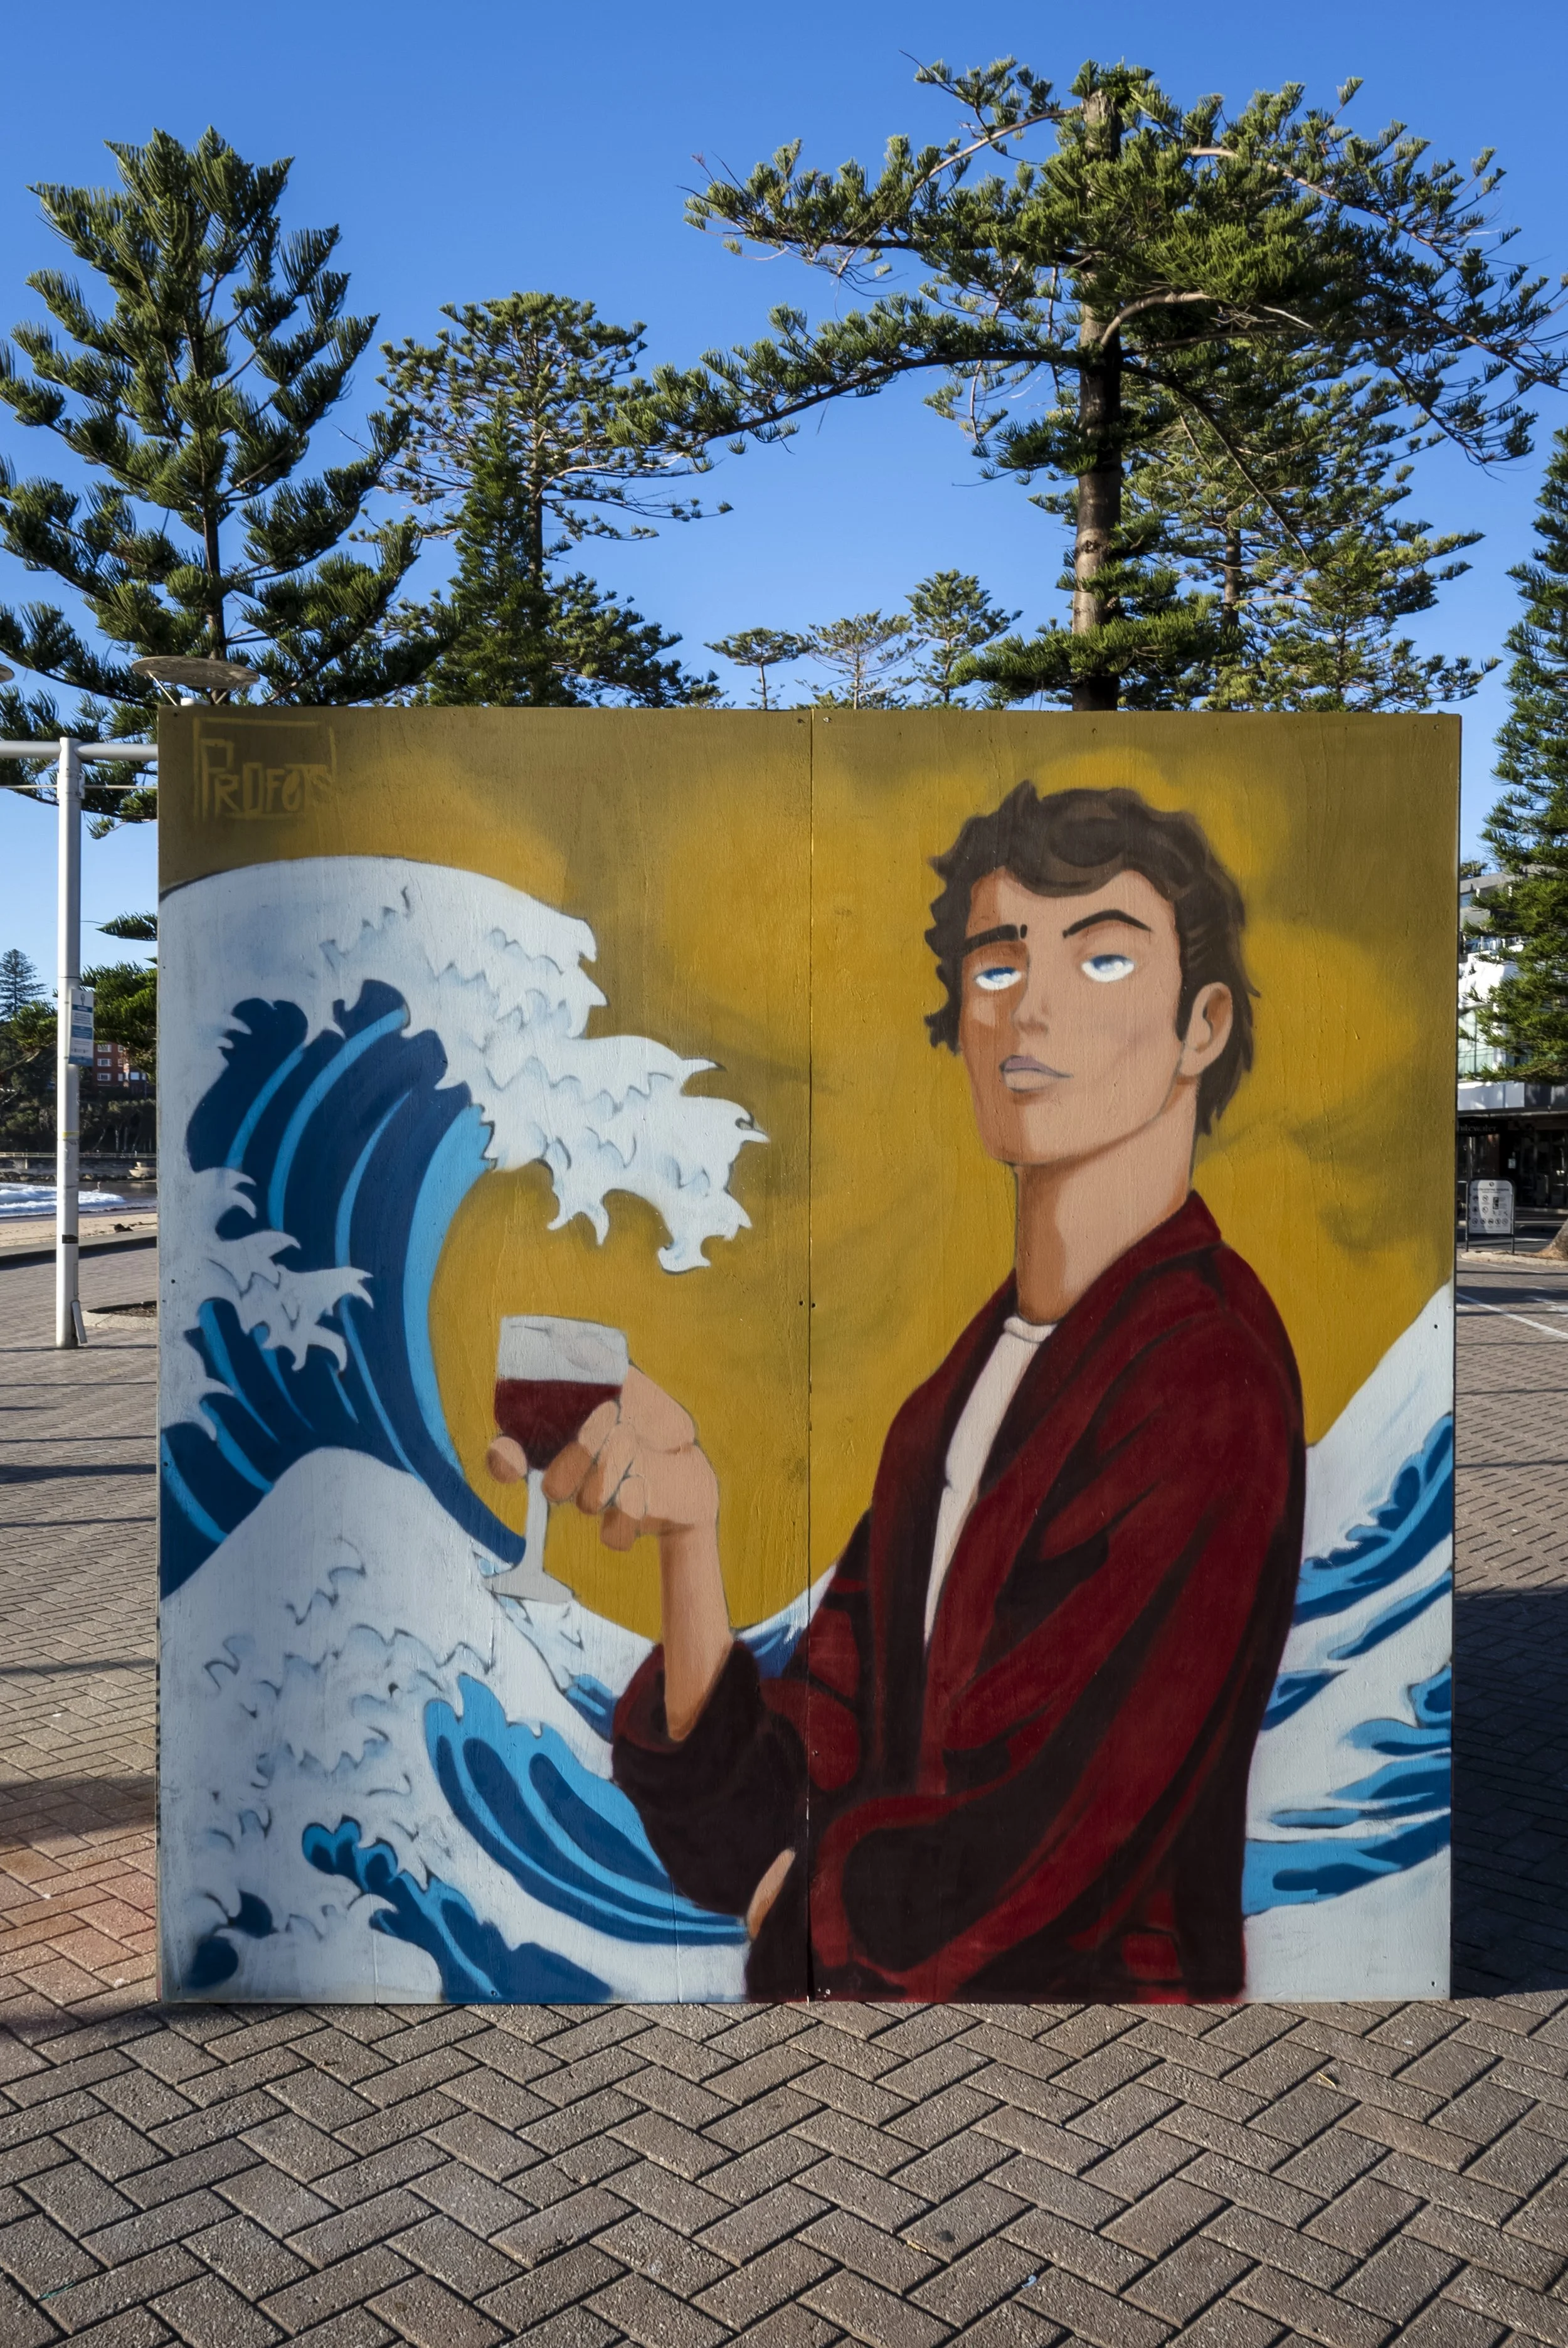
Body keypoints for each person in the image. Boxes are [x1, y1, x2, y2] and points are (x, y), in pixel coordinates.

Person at [487, 782, 1305, 2001]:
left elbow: (1030, 1841)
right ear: (960, 1023)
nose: (1030, 1001)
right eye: (995, 962)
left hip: (1097, 2060)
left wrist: (802, 1907)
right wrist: (691, 1539)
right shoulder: (957, 1394)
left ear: (1201, 1025)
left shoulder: (1204, 1369)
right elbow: (778, 1798)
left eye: (1100, 957)